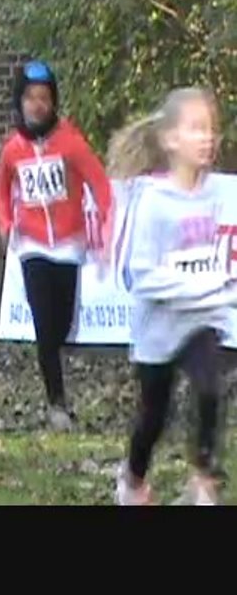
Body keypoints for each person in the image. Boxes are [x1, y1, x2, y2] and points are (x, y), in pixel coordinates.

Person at [109, 88, 236, 506]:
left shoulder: (223, 191)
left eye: (211, 129)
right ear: (170, 140)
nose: (207, 137)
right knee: (153, 417)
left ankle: (203, 478)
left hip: (202, 323)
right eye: (196, 128)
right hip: (157, 332)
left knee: (209, 387)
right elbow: (141, 277)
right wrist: (204, 287)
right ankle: (133, 477)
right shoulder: (153, 202)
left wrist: (216, 294)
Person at [0, 60, 113, 430]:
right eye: (30, 98)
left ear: (53, 102)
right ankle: (56, 402)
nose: (37, 105)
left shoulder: (70, 142)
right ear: (20, 102)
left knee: (62, 325)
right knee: (45, 325)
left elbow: (100, 185)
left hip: (69, 244)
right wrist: (6, 224)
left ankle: (57, 382)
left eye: (44, 98)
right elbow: (1, 191)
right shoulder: (12, 150)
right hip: (31, 246)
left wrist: (105, 229)